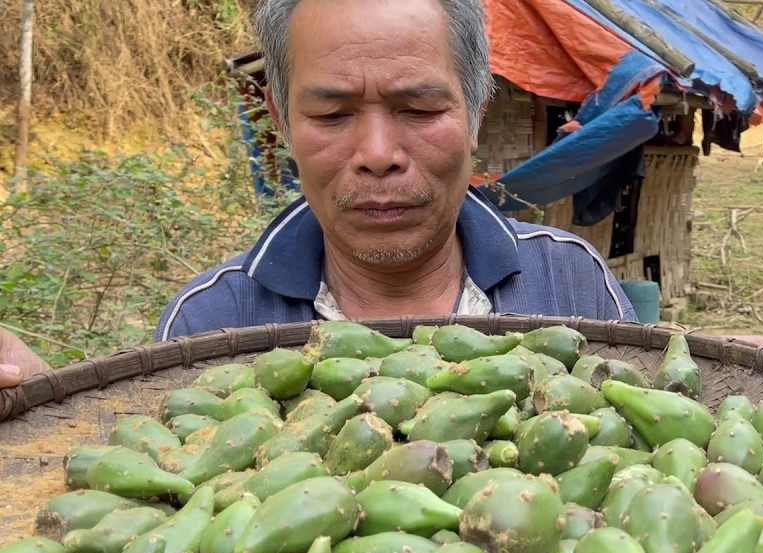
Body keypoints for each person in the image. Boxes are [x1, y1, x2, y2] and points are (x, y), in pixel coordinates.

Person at [153, 0, 638, 343]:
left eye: (419, 109)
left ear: (475, 114)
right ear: (282, 122)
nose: (379, 154)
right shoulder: (211, 322)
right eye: (331, 115)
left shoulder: (570, 284)